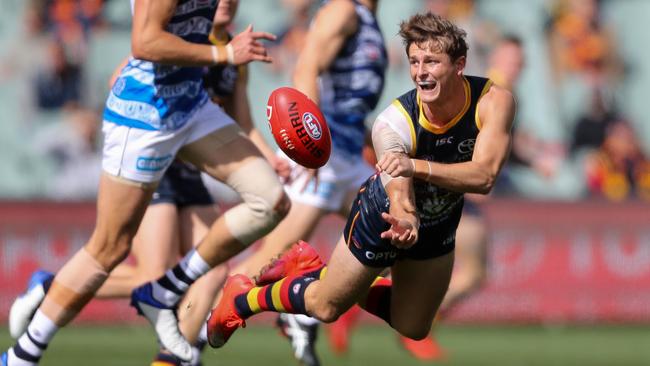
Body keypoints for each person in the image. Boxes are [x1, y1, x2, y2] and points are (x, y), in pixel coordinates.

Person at [206, 10, 515, 363]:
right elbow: (397, 187)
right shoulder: (394, 123)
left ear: (459, 64)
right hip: (385, 210)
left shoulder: (494, 101)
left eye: (432, 61)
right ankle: (245, 299)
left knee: (413, 326)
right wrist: (405, 215)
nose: (420, 72)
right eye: (414, 62)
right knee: (326, 305)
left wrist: (416, 167)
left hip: (442, 217)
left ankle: (312, 271)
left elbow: (485, 177)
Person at [2, 1, 289, 365]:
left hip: (191, 107)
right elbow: (144, 43)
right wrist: (224, 52)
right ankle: (21, 356)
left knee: (271, 200)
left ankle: (162, 293)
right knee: (109, 248)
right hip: (144, 116)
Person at [229, 0, 386, 364]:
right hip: (322, 152)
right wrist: (310, 145)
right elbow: (306, 68)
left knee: (391, 242)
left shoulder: (368, 19)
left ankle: (298, 303)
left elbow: (348, 102)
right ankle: (194, 327)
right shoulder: (344, 10)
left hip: (347, 156)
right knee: (270, 257)